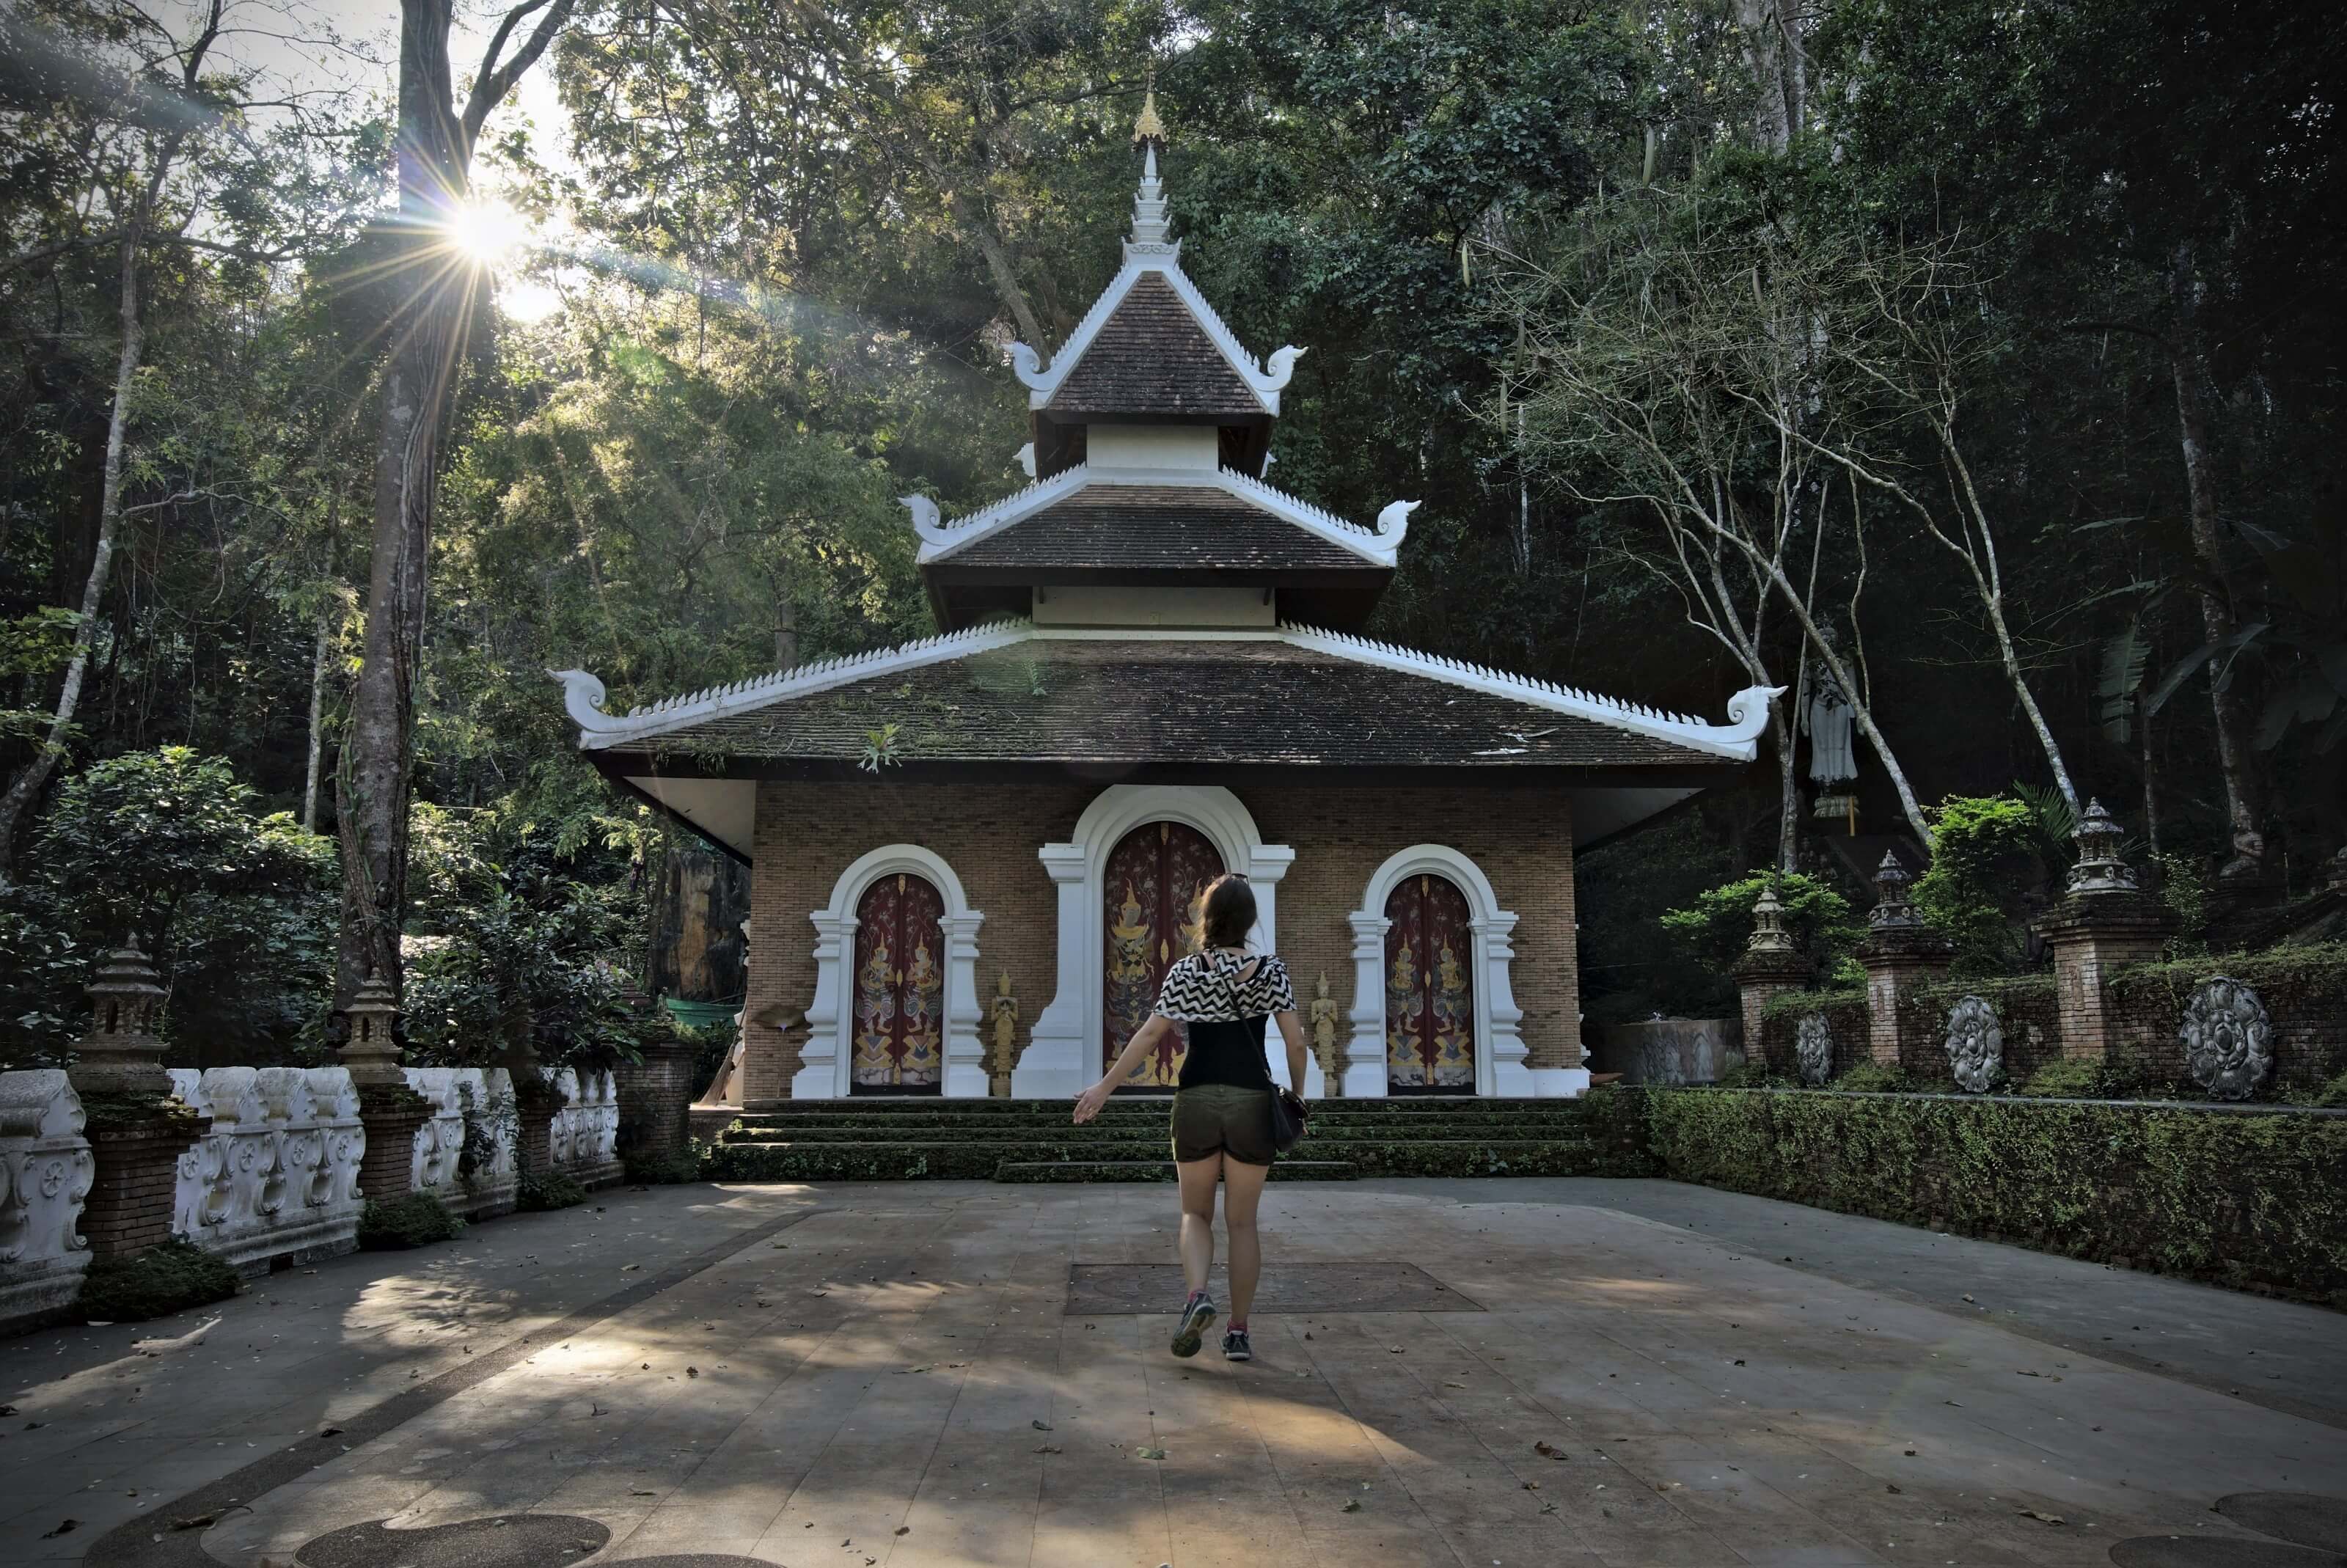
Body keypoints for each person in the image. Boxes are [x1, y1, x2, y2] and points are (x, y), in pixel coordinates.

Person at [1074, 871, 1307, 1363]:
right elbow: (1296, 1042)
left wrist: (1103, 1088)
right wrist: (1297, 1098)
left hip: (1197, 1097)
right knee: (1242, 1223)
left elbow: (1149, 1036)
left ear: (1208, 917)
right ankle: (1239, 1333)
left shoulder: (1186, 972)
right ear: (1249, 920)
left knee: (1194, 1214)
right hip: (1250, 1100)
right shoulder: (1270, 971)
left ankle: (1198, 1295)